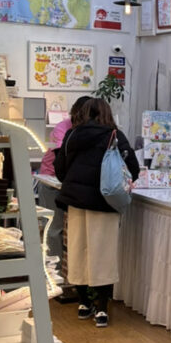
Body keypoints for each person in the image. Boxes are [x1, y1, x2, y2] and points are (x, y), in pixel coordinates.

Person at [54, 97, 139, 328]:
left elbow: (60, 171)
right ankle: (101, 309)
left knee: (77, 252)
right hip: (105, 203)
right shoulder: (115, 136)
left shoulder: (72, 135)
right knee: (103, 255)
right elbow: (133, 168)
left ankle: (83, 304)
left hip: (75, 202)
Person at [38, 96, 91, 271]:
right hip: (51, 181)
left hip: (72, 184)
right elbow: (63, 156)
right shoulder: (62, 128)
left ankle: (69, 271)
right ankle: (54, 272)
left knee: (72, 230)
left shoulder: (87, 130)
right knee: (54, 228)